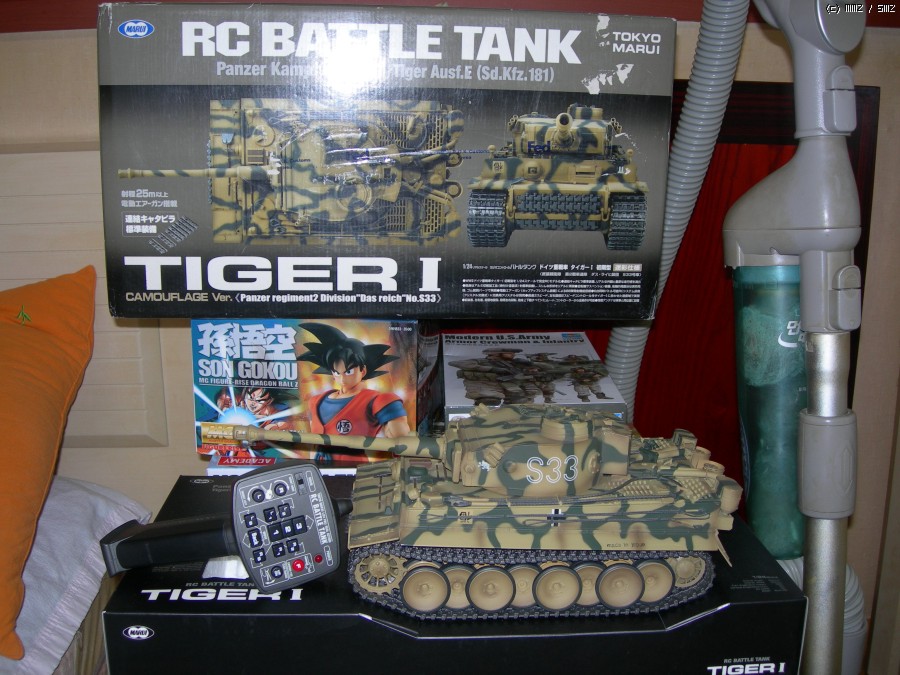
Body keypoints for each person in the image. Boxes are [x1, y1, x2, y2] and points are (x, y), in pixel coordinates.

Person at [297, 322, 410, 438]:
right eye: (337, 372)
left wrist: (393, 413)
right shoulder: (315, 401)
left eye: (349, 372)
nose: (342, 379)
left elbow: (398, 434)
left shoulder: (376, 400)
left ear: (363, 371)